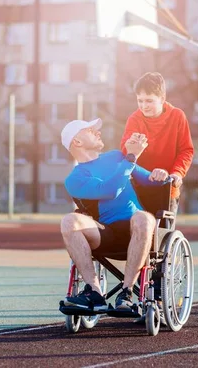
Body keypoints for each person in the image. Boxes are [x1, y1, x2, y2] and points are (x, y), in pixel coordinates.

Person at [59, 117, 166, 312]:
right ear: (77, 142)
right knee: (68, 221)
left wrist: (160, 174)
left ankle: (126, 292)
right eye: (91, 131)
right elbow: (110, 190)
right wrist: (131, 157)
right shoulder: (74, 179)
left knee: (143, 217)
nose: (98, 132)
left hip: (139, 229)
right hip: (104, 234)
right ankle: (94, 292)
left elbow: (151, 180)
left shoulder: (117, 157)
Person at [120, 72, 194, 213]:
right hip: (138, 188)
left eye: (149, 101)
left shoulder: (177, 116)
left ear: (162, 98)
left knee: (161, 232)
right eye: (140, 100)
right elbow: (126, 152)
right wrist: (130, 148)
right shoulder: (134, 119)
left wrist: (177, 173)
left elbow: (186, 150)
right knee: (139, 229)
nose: (143, 106)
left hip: (167, 189)